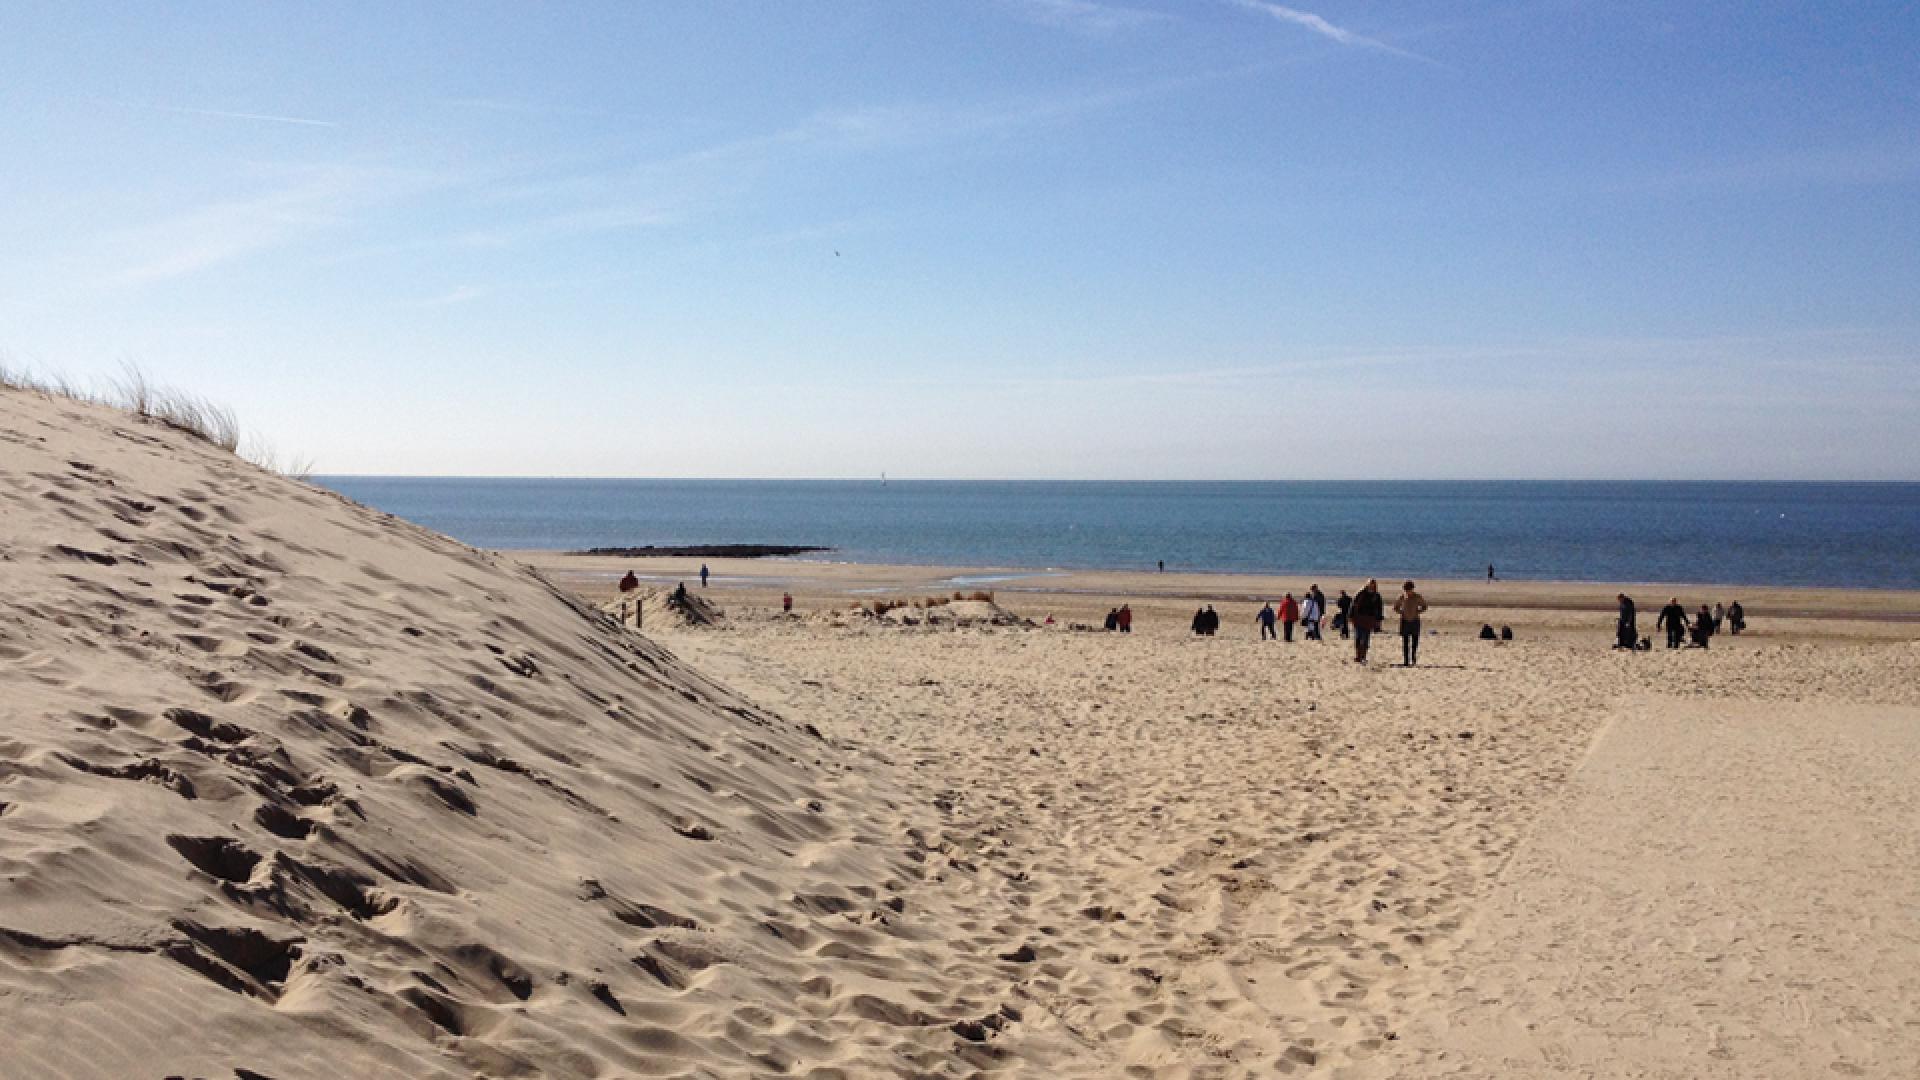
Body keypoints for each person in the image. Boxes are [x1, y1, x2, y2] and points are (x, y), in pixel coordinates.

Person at [1393, 580, 1429, 666]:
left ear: (1412, 589)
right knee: (1405, 642)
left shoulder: (1417, 597)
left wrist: (1418, 611)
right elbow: (1395, 607)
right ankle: (1406, 660)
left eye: (1409, 589)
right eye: (1406, 590)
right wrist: (1401, 612)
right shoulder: (1402, 597)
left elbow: (1424, 606)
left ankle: (1413, 656)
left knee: (1415, 641)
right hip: (1405, 620)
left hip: (1415, 620)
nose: (1408, 592)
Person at [1351, 579, 1384, 664]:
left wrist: (1379, 620)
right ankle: (1358, 656)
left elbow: (1379, 608)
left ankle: (1363, 656)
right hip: (1359, 618)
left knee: (1365, 637)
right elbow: (1353, 605)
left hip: (1369, 619)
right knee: (1358, 637)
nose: (1371, 586)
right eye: (1370, 584)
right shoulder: (1360, 593)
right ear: (1367, 584)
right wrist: (1350, 616)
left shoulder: (1376, 596)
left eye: (1373, 584)